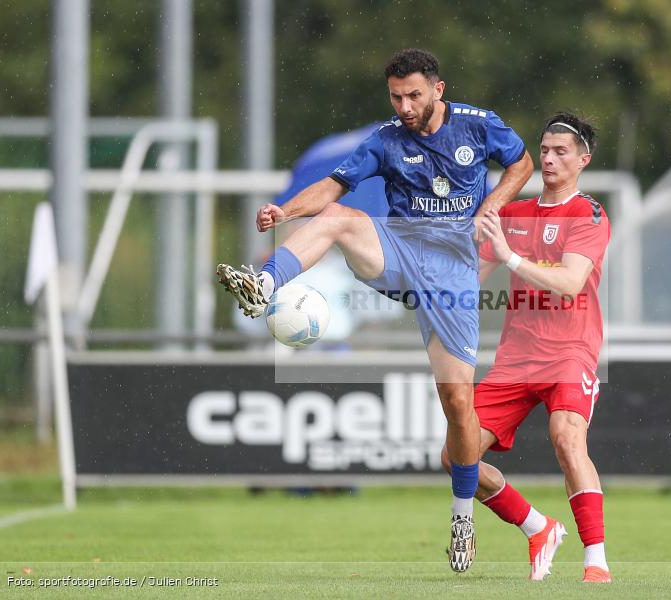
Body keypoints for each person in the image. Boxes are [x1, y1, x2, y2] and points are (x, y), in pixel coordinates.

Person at [216, 48, 533, 573]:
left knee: (457, 406)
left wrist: (493, 204)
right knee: (339, 215)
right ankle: (264, 282)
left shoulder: (479, 127)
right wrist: (285, 211)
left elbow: (520, 162)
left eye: (413, 95)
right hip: (398, 250)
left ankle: (461, 517)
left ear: (438, 89)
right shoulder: (386, 139)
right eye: (395, 96)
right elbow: (333, 186)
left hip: (453, 272)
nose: (404, 106)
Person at [441, 112, 612, 582]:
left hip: (570, 350)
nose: (550, 158)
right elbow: (465, 284)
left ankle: (595, 561)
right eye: (545, 150)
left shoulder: (588, 213)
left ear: (583, 160)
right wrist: (423, 294)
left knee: (566, 435)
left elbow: (570, 282)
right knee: (457, 454)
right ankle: (538, 526)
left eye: (561, 152)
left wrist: (511, 255)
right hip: (515, 358)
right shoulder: (513, 215)